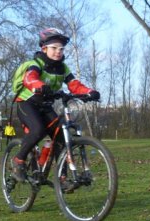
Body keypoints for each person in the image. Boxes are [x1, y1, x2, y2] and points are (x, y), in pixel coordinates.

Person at [10, 27, 99, 182]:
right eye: (54, 48)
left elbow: (74, 85)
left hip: (45, 106)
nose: (58, 51)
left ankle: (62, 178)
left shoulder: (62, 68)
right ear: (44, 48)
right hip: (27, 103)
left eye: (61, 49)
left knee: (60, 138)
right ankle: (18, 161)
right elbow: (29, 78)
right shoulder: (36, 63)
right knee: (38, 130)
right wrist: (38, 85)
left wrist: (89, 92)